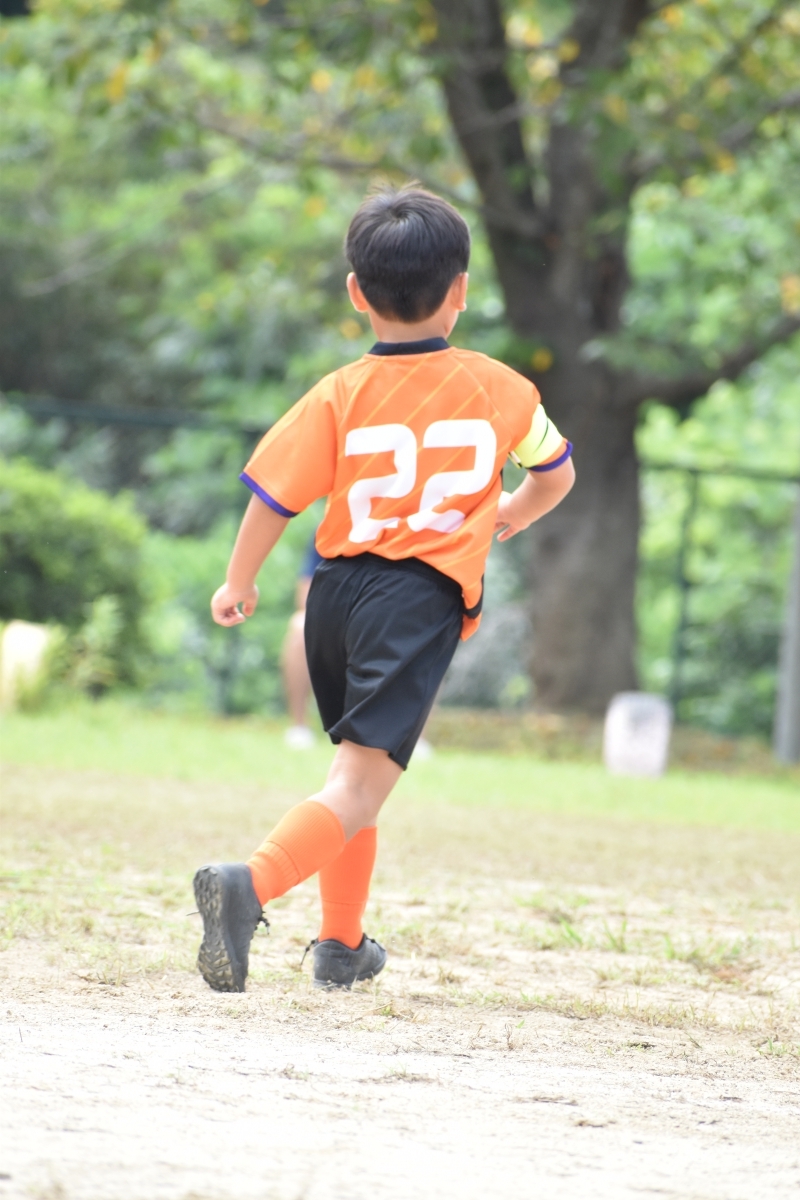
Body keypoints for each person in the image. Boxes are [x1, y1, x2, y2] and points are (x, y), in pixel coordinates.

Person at [194, 186, 575, 993]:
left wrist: (239, 579)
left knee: (356, 775)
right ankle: (249, 885)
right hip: (414, 601)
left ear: (355, 292)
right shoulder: (502, 388)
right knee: (360, 783)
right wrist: (508, 512)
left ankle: (341, 943)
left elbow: (273, 496)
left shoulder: (338, 392)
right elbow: (556, 474)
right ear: (462, 290)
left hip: (334, 596)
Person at [281, 535, 323, 750]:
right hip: (335, 615)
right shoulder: (326, 529)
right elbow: (304, 593)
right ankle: (299, 727)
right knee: (300, 626)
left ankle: (416, 740)